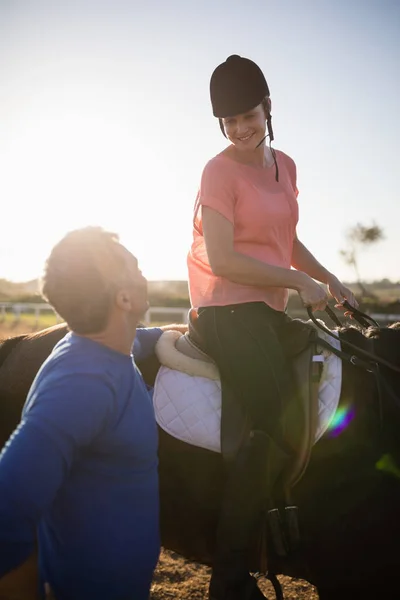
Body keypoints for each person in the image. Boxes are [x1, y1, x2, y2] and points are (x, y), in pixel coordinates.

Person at [187, 55, 358, 600]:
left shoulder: (285, 165)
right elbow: (223, 257)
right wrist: (292, 280)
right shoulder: (218, 171)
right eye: (228, 121)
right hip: (223, 313)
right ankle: (231, 581)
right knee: (271, 421)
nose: (239, 129)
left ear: (268, 107)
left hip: (267, 312)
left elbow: (287, 238)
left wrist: (327, 278)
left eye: (248, 116)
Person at [0, 227, 174, 600]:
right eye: (136, 268)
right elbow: (6, 506)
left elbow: (134, 341)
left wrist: (164, 335)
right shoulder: (82, 384)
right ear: (123, 298)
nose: (144, 276)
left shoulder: (100, 348)